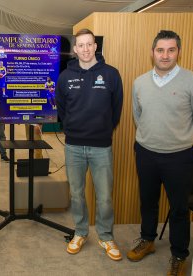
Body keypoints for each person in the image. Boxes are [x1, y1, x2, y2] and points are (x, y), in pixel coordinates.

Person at [128, 30, 193, 275]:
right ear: (152, 52)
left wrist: (188, 148)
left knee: (178, 209)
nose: (165, 55)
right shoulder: (140, 82)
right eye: (160, 50)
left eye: (171, 50)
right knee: (148, 202)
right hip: (146, 153)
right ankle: (148, 240)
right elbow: (138, 116)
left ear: (178, 51)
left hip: (180, 158)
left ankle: (179, 255)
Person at [56, 28, 123, 261]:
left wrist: (102, 130)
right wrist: (72, 128)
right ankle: (81, 232)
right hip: (73, 145)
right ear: (75, 49)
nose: (85, 49)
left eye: (89, 44)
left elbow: (116, 111)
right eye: (80, 45)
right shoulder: (65, 76)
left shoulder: (111, 74)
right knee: (76, 194)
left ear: (96, 47)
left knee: (104, 196)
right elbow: (62, 109)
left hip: (101, 147)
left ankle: (105, 235)